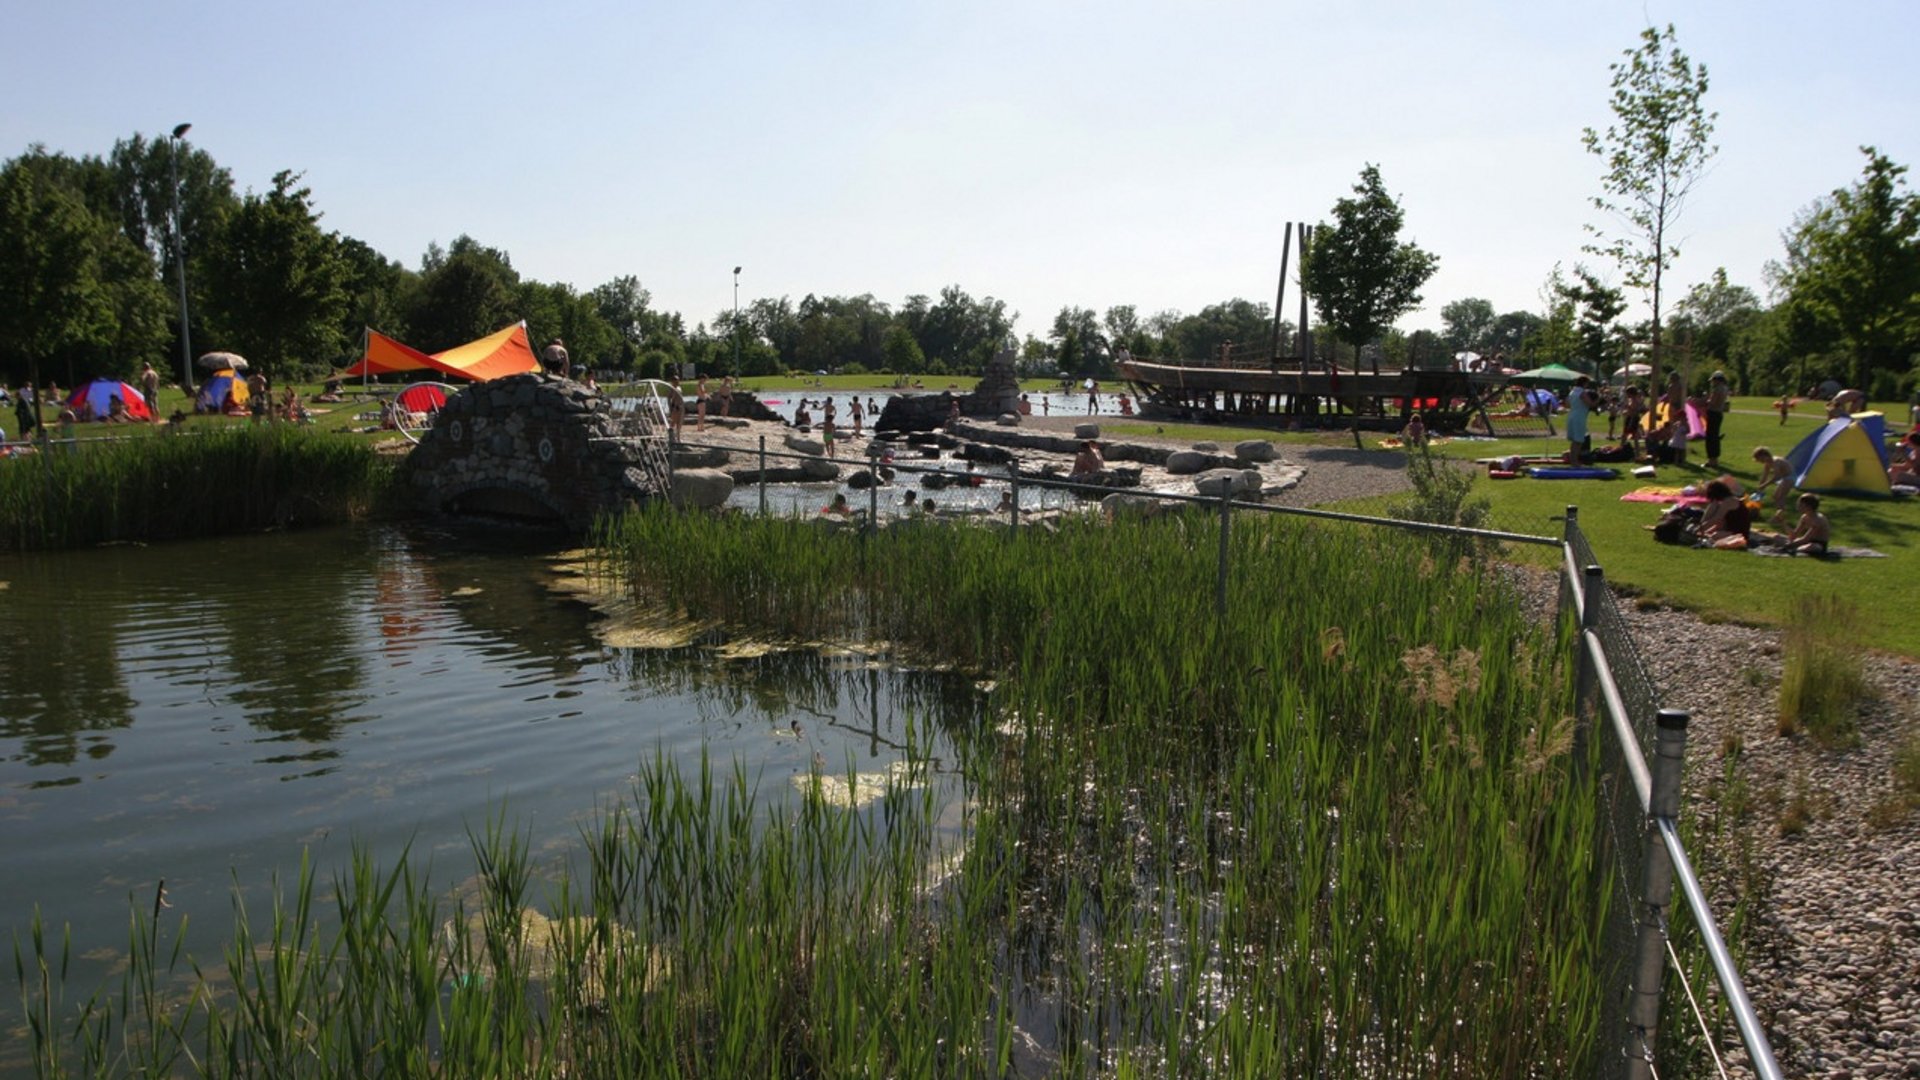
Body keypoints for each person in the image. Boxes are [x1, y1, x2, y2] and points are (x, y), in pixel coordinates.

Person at [1751, 446, 1795, 523]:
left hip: (1789, 478)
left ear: (1765, 456)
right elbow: (1764, 476)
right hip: (1784, 478)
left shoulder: (1776, 461)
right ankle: (1779, 516)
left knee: (1780, 497)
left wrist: (1765, 485)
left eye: (1760, 459)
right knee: (1776, 497)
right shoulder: (1767, 463)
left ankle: (1779, 518)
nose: (1760, 462)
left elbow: (1777, 477)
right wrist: (1760, 487)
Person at [1564, 376, 1596, 465]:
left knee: (1575, 441)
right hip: (1579, 417)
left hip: (1572, 415)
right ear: (1584, 383)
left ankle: (1573, 460)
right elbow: (1590, 404)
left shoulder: (1572, 392)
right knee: (1578, 441)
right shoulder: (1582, 393)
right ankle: (1574, 461)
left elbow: (1567, 404)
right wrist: (1598, 400)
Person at [1703, 371, 1730, 469]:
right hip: (1719, 413)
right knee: (1715, 437)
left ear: (1717, 380)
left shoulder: (1717, 389)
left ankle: (1711, 460)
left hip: (1713, 413)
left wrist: (1706, 399)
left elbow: (1712, 402)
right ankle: (1715, 460)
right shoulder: (1725, 388)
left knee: (1710, 438)